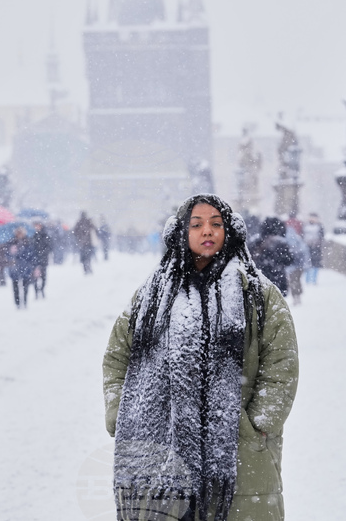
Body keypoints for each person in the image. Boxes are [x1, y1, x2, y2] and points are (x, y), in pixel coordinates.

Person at [103, 194, 299, 521]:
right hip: (160, 449)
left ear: (229, 231)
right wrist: (119, 411)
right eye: (196, 225)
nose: (206, 231)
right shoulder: (150, 296)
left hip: (238, 450)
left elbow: (282, 364)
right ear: (182, 232)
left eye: (215, 224)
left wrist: (257, 426)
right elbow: (117, 356)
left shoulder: (260, 295)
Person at [253, 216, 293, 297]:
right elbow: (289, 260)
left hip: (260, 280)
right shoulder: (282, 243)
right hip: (278, 279)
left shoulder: (256, 242)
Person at [8, 227, 37, 309]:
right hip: (15, 267)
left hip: (25, 267)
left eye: (21, 233)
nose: (19, 234)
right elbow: (7, 254)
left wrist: (33, 266)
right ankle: (17, 303)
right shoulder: (11, 242)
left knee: (25, 286)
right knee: (15, 287)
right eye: (18, 232)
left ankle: (24, 301)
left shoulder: (28, 242)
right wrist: (11, 252)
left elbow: (32, 255)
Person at [283, 219, 310, 306]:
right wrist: (305, 263)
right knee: (296, 281)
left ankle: (296, 297)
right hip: (299, 265)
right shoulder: (298, 239)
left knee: (293, 281)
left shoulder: (285, 240)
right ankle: (298, 296)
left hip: (291, 266)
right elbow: (305, 251)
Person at [31, 221, 52, 298]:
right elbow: (31, 247)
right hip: (35, 260)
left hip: (43, 259)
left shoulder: (45, 235)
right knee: (35, 277)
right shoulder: (33, 236)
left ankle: (42, 289)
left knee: (43, 277)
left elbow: (49, 247)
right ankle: (36, 291)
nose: (37, 227)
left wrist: (43, 253)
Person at [304, 213, 325, 285]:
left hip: (316, 248)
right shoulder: (305, 226)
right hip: (307, 248)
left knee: (316, 264)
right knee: (307, 264)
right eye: (311, 217)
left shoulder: (320, 227)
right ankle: (307, 280)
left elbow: (322, 237)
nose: (312, 219)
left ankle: (314, 280)